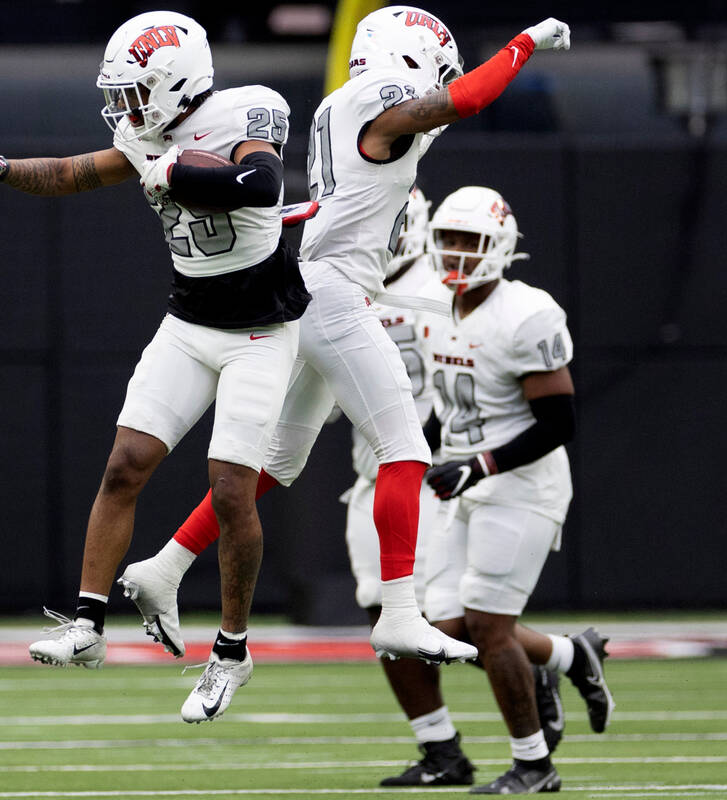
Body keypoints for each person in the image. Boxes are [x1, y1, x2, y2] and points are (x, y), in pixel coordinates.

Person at [115, 7, 571, 719]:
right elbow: (467, 98)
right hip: (335, 294)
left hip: (312, 284)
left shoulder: (344, 104)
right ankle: (400, 611)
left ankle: (166, 564)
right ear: (410, 59)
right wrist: (527, 42)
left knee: (278, 460)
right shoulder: (379, 100)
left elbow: (347, 189)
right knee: (405, 449)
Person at [0, 10, 310, 721]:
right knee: (124, 465)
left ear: (178, 81)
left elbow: (260, 183)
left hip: (260, 330)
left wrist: (180, 170)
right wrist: (2, 169)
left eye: (136, 92)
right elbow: (71, 173)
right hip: (189, 322)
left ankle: (231, 653)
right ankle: (87, 625)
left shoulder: (246, 111)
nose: (127, 108)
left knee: (231, 492)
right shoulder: (144, 136)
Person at [410, 185, 613, 793]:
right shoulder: (429, 302)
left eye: (469, 241)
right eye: (447, 239)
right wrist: (417, 452)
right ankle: (566, 657)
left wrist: (479, 465)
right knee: (443, 630)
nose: (456, 253)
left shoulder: (527, 313)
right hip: (464, 479)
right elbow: (448, 405)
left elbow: (559, 423)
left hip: (522, 485)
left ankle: (535, 765)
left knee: (489, 626)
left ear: (499, 246)